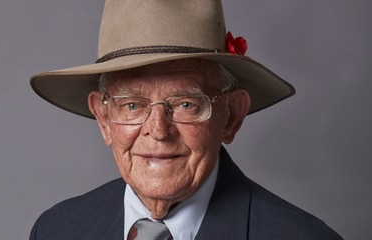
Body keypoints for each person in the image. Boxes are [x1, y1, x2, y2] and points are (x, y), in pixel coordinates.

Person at [29, 0, 343, 239]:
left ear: (231, 116)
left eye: (186, 104)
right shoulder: (56, 229)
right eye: (131, 105)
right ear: (102, 118)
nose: (158, 130)